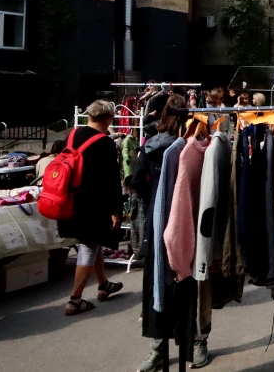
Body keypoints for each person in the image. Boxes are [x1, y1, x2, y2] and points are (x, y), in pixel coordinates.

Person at [133, 94, 194, 370]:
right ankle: (193, 340)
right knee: (186, 281)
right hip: (186, 223)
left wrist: (153, 200)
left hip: (157, 224)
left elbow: (136, 181)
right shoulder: (186, 147)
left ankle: (157, 348)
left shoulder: (150, 146)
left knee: (158, 283)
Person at [57, 100, 124, 316]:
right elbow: (112, 180)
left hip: (71, 198)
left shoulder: (72, 134)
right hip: (94, 204)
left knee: (93, 244)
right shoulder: (104, 142)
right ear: (109, 119)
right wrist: (115, 210)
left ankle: (103, 285)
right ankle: (75, 299)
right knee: (89, 246)